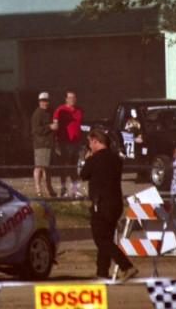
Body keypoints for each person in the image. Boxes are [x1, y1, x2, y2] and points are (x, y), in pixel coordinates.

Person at [80, 127, 138, 281]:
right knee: (106, 238)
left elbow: (83, 174)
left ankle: (126, 266)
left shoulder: (95, 159)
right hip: (116, 203)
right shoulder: (115, 159)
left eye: (90, 143)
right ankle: (102, 272)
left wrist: (88, 158)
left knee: (101, 239)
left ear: (95, 141)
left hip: (102, 204)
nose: (89, 147)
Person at [52, 90, 84, 197]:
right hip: (65, 142)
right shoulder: (60, 110)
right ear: (66, 99)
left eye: (74, 98)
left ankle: (74, 190)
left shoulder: (79, 110)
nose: (72, 100)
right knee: (64, 166)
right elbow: (55, 124)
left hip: (76, 142)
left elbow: (79, 126)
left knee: (74, 166)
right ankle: (63, 189)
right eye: (70, 98)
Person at [31, 92, 56, 197]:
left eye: (46, 101)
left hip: (48, 144)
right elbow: (36, 130)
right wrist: (50, 127)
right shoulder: (37, 114)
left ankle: (49, 189)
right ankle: (38, 190)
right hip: (41, 144)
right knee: (39, 167)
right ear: (39, 102)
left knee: (46, 167)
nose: (45, 103)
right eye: (43, 101)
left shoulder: (48, 112)